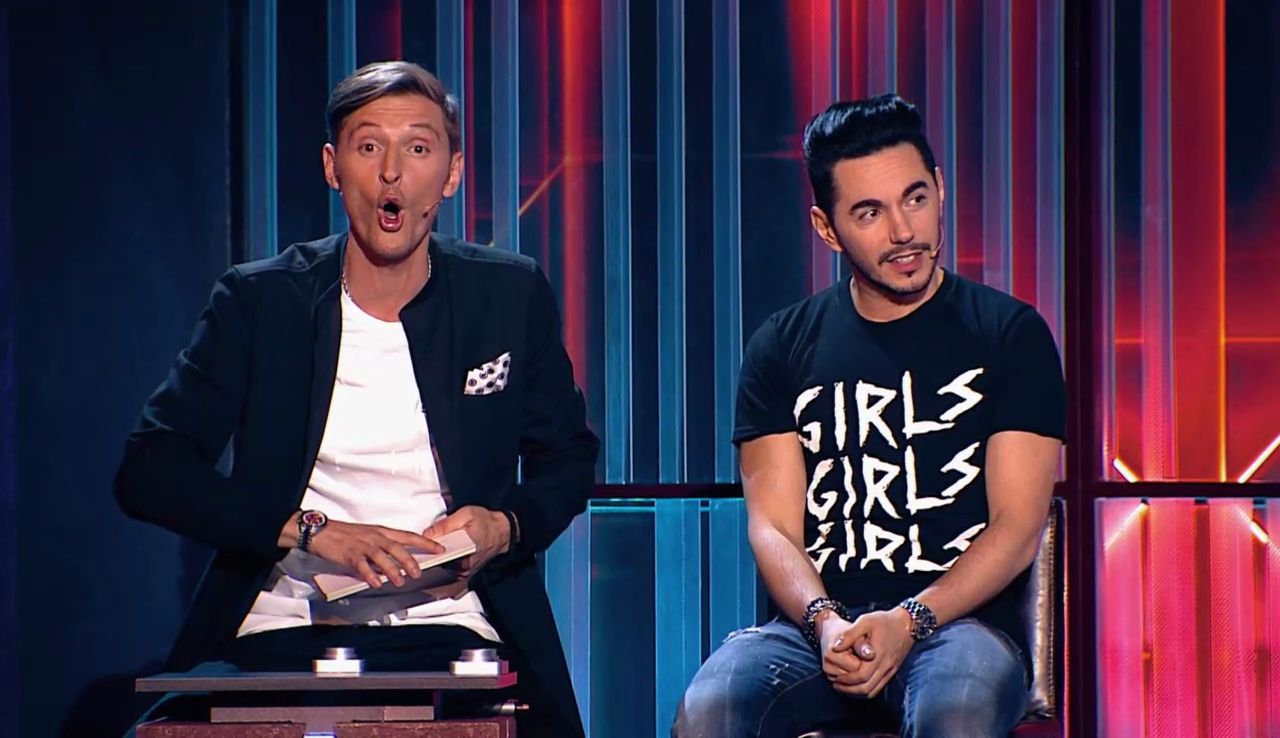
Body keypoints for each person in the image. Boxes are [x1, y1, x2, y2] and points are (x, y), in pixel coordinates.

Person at [115, 60, 597, 738]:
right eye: (369, 146)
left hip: (452, 622)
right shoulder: (261, 301)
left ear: (452, 173)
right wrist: (313, 532)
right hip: (281, 626)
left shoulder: (507, 295)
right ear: (332, 166)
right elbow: (149, 470)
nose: (392, 172)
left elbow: (568, 459)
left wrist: (502, 526)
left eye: (418, 148)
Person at [673, 94, 1066, 737]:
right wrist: (825, 621)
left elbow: (1018, 527)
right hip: (817, 633)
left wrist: (909, 620)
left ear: (940, 189)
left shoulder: (1009, 335)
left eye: (915, 198)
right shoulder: (781, 346)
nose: (903, 231)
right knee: (713, 703)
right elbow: (773, 527)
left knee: (956, 712)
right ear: (827, 228)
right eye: (870, 212)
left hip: (958, 631)